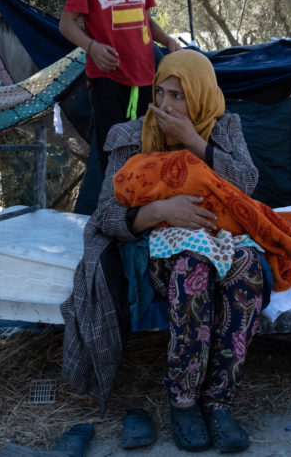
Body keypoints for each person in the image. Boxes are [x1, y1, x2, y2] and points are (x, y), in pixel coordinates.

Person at [61, 50, 264, 454]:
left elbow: (248, 183)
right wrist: (158, 211)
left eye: (179, 96)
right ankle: (184, 400)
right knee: (195, 271)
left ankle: (219, 402)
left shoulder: (225, 128)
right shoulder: (129, 135)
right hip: (158, 244)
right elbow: (106, 211)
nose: (167, 105)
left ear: (201, 96)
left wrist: (194, 141)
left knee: (247, 271)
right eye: (161, 93)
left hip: (221, 236)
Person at [58, 0, 181, 177]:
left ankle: (144, 210)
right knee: (113, 151)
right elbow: (66, 24)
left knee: (147, 147)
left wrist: (168, 41)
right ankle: (114, 210)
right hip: (108, 82)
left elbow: (146, 21)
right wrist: (92, 46)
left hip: (145, 80)